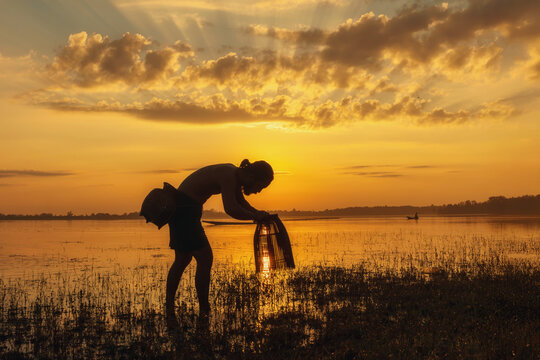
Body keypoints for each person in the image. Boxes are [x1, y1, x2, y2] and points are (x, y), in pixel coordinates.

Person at [164, 159, 274, 325]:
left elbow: (241, 202)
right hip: (183, 209)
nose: (258, 191)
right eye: (260, 186)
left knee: (182, 260)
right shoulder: (229, 175)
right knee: (203, 258)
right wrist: (255, 216)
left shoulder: (234, 174)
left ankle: (173, 311)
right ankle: (202, 309)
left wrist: (257, 212)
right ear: (251, 176)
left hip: (189, 209)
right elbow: (231, 208)